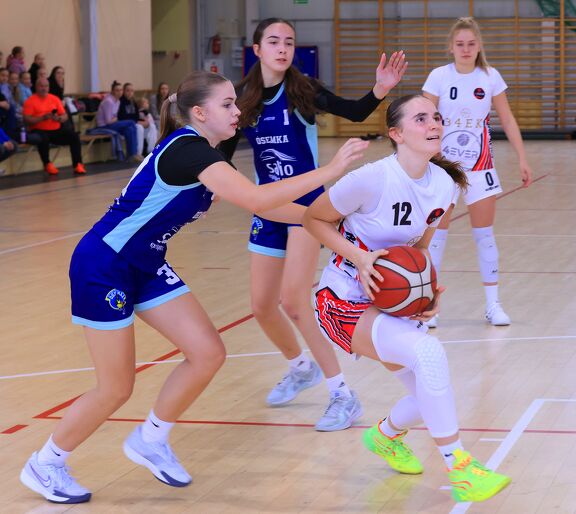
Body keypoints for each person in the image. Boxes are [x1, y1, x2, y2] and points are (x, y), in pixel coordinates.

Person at [19, 70, 369, 504]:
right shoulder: (187, 150)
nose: (237, 110)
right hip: (104, 265)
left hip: (146, 263)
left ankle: (151, 438)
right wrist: (330, 171)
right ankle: (46, 462)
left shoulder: (206, 154)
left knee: (207, 352)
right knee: (116, 386)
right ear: (200, 113)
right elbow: (258, 200)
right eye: (227, 104)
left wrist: (327, 217)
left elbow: (269, 209)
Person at [303, 94, 511, 503]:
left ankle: (384, 436)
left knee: (428, 392)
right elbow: (314, 219)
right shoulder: (371, 178)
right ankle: (460, 468)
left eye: (436, 117)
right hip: (341, 300)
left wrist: (427, 294)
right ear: (396, 134)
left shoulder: (446, 184)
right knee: (430, 355)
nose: (434, 124)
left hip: (389, 302)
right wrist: (361, 258)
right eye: (421, 119)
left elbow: (420, 250)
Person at [218, 17, 407, 431]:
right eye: (274, 41)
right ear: (256, 49)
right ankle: (300, 367)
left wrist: (380, 89)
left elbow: (354, 112)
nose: (282, 48)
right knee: (261, 306)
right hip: (268, 208)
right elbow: (222, 154)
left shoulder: (303, 92)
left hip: (305, 210)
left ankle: (342, 395)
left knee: (294, 302)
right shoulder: (243, 100)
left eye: (289, 42)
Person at [422, 17, 533, 327]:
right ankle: (431, 305)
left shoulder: (490, 76)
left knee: (484, 236)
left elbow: (507, 119)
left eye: (471, 43)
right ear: (451, 47)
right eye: (460, 44)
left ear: (479, 45)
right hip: (443, 168)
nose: (466, 49)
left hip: (480, 167)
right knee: (436, 238)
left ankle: (493, 304)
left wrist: (522, 158)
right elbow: (423, 119)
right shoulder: (438, 77)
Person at [22, 77, 86, 175]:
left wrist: (59, 118)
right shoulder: (30, 101)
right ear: (36, 87)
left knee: (74, 136)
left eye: (46, 86)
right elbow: (27, 119)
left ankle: (78, 164)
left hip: (56, 129)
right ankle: (47, 164)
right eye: (41, 86)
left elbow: (64, 116)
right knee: (43, 138)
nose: (44, 88)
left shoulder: (54, 99)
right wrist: (42, 118)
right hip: (39, 129)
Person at [95, 80, 140, 161]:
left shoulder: (118, 101)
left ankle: (131, 155)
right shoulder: (108, 101)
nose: (119, 92)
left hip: (113, 124)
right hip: (104, 126)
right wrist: (116, 118)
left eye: (121, 90)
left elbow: (115, 117)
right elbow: (108, 121)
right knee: (132, 122)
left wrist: (116, 118)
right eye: (117, 90)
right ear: (112, 91)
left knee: (129, 129)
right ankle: (133, 153)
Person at [119, 82, 157, 154]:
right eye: (128, 90)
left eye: (132, 91)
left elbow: (136, 116)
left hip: (135, 122)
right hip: (127, 126)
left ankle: (151, 151)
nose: (130, 93)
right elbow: (122, 117)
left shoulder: (133, 102)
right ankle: (138, 153)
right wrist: (138, 122)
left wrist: (143, 121)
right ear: (123, 91)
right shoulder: (120, 102)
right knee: (139, 127)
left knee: (152, 126)